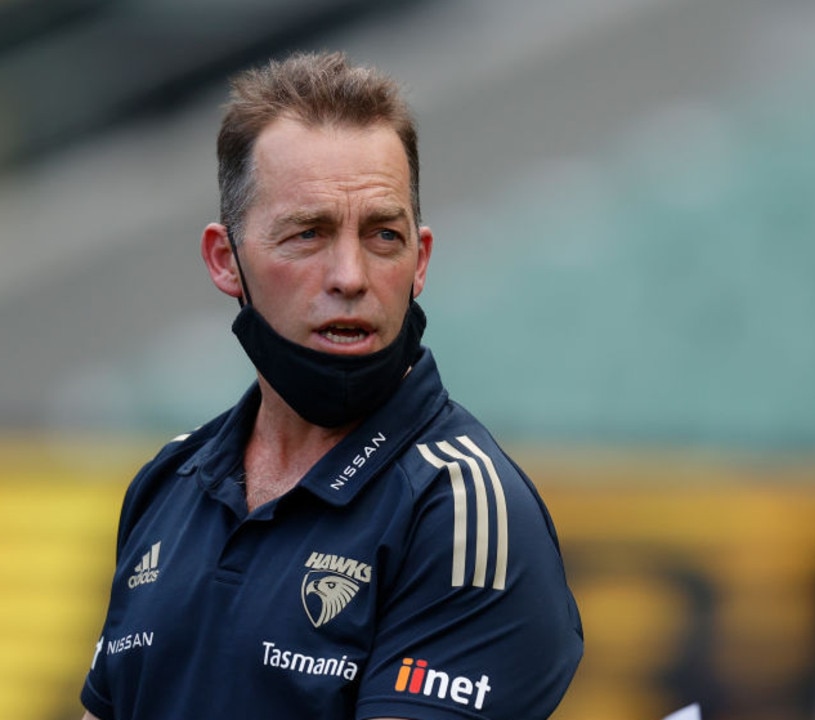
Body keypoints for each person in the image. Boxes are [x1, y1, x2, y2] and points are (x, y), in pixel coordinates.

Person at [79, 51, 583, 720]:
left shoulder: (464, 510)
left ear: (420, 260)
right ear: (225, 260)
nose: (350, 274)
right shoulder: (166, 484)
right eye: (309, 234)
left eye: (382, 235)